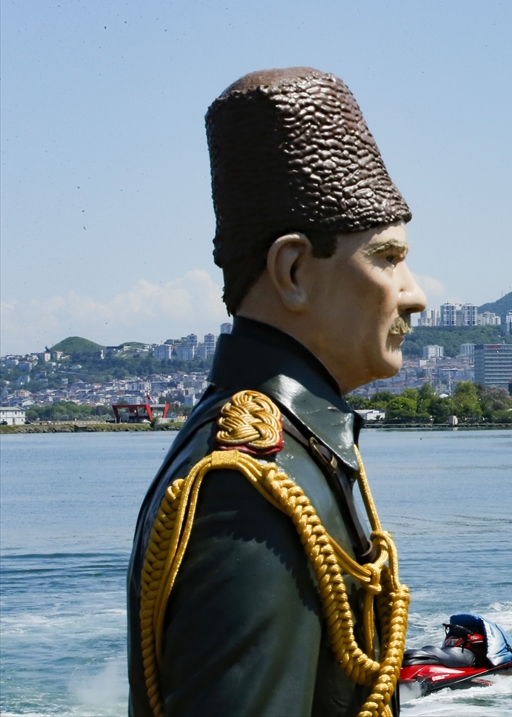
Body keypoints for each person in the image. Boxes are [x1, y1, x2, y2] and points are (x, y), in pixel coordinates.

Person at [127, 68, 428, 716]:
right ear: (292, 270)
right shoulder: (249, 489)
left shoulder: (298, 456)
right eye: (385, 257)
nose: (415, 293)